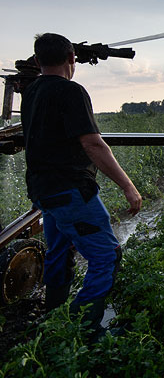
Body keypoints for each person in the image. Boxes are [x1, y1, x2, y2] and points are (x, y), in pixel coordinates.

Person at [20, 33, 142, 336]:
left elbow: (43, 79)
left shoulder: (31, 91)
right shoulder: (72, 92)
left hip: (43, 192)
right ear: (72, 59)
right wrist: (129, 187)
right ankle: (83, 330)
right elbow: (92, 143)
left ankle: (54, 317)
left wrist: (71, 56)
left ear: (37, 61)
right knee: (106, 257)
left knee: (59, 251)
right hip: (70, 191)